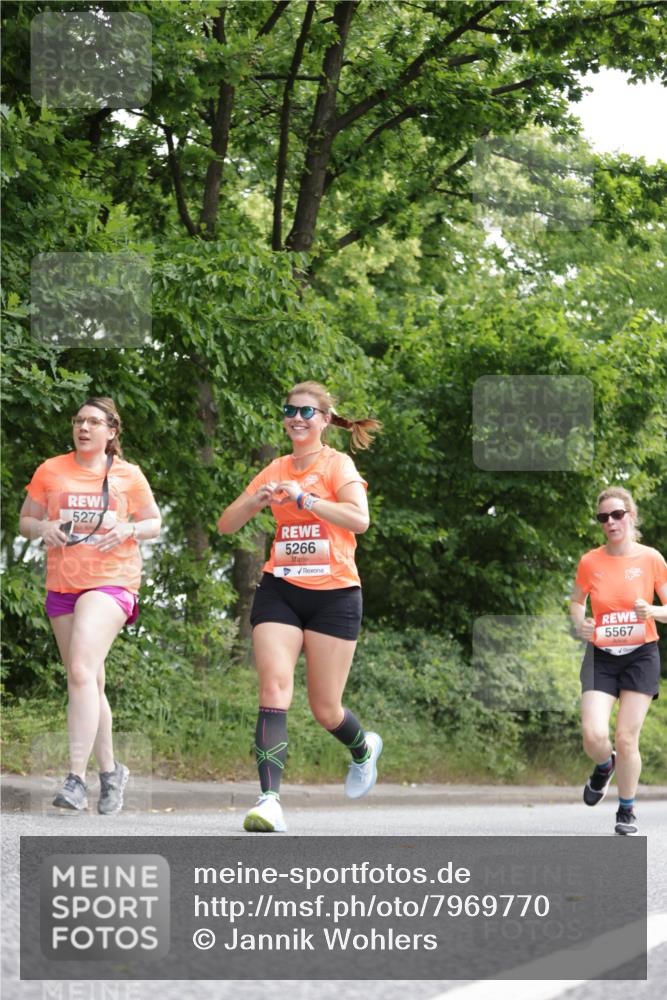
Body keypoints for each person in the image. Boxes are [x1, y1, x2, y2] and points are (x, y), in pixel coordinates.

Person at [218, 381, 383, 832]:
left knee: (326, 709)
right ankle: (269, 801)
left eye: (307, 412)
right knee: (273, 689)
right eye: (290, 410)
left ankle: (363, 749)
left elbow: (360, 519)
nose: (296, 418)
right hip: (282, 589)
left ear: (325, 420)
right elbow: (226, 524)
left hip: (335, 596)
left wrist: (306, 499)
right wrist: (257, 499)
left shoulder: (337, 464)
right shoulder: (275, 469)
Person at [19, 397, 161, 814]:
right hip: (63, 584)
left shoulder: (128, 475)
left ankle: (76, 779)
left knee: (80, 670)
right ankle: (112, 772)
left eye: (94, 422)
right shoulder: (51, 470)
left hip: (113, 581)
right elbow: (25, 521)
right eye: (79, 420)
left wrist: (129, 529)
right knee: (88, 681)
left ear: (111, 432)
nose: (83, 427)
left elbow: (154, 522)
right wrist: (44, 527)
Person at [570, 486, 667, 836]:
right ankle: (603, 766)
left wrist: (651, 610)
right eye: (603, 517)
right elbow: (577, 601)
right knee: (593, 734)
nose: (610, 522)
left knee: (626, 738)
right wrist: (580, 623)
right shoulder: (590, 561)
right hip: (602, 655)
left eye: (617, 514)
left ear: (631, 516)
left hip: (641, 655)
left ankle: (626, 810)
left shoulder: (651, 558)